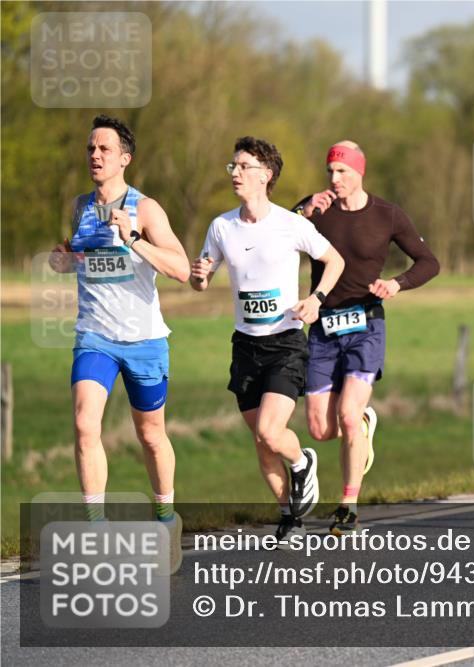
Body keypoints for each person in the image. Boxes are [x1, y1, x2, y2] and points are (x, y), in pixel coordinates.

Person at [47, 115, 190, 568]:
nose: (94, 155)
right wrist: (63, 260)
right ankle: (95, 531)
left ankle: (166, 516)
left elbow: (182, 270)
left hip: (145, 340)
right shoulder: (78, 207)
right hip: (95, 337)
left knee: (150, 435)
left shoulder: (146, 209)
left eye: (104, 149)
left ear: (125, 159)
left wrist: (134, 239)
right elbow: (78, 260)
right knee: (85, 424)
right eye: (90, 148)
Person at [190, 137, 344, 539]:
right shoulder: (221, 226)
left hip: (286, 342)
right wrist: (199, 276)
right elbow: (202, 279)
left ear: (266, 175)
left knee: (271, 433)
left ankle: (303, 463)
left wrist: (317, 298)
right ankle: (290, 515)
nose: (236, 173)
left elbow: (335, 260)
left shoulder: (291, 224)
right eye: (233, 166)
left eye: (244, 166)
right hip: (245, 345)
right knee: (262, 445)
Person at [293, 141, 440, 536]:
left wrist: (397, 283)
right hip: (323, 330)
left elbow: (430, 262)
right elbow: (276, 230)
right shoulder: (316, 211)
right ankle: (363, 422)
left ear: (360, 172)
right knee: (321, 430)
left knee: (345, 416)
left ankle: (348, 505)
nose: (334, 179)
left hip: (366, 326)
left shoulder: (387, 215)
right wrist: (304, 213)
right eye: (330, 172)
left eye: (342, 172)